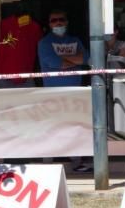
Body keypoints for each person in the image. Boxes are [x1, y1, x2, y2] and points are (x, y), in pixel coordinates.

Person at [37, 10, 91, 172]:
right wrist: (74, 60)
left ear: (67, 22)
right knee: (52, 127)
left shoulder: (75, 40)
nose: (58, 23)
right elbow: (55, 63)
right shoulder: (44, 43)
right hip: (53, 94)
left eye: (61, 19)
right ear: (49, 24)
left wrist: (66, 60)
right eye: (54, 21)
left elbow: (86, 59)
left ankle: (77, 162)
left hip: (74, 93)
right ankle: (47, 161)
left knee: (74, 126)